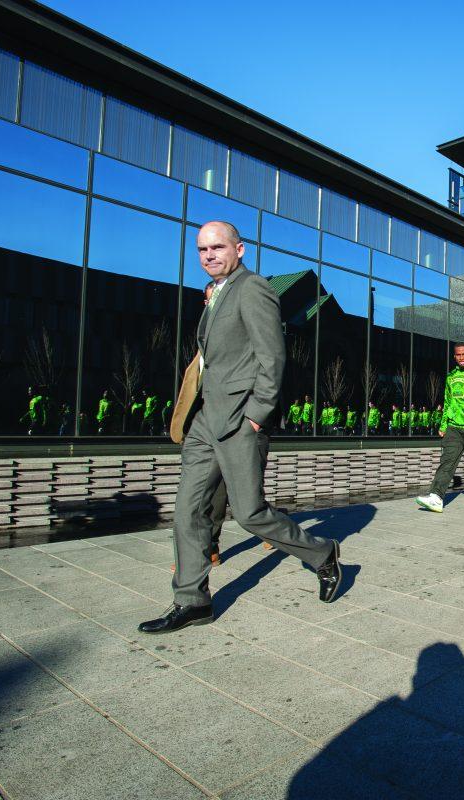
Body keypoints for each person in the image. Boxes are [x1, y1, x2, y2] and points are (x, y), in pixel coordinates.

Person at [139, 221, 342, 635]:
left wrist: (256, 414)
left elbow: (273, 356)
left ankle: (322, 553)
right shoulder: (217, 295)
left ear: (240, 248)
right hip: (205, 421)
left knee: (249, 514)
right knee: (187, 510)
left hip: (237, 421)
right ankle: (192, 600)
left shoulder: (253, 288)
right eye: (201, 249)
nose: (208, 255)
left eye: (217, 247)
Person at [415, 344, 464, 512]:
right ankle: (436, 497)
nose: (461, 357)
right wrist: (443, 424)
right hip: (454, 427)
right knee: (447, 461)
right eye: (458, 355)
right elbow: (448, 402)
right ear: (454, 356)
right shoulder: (451, 376)